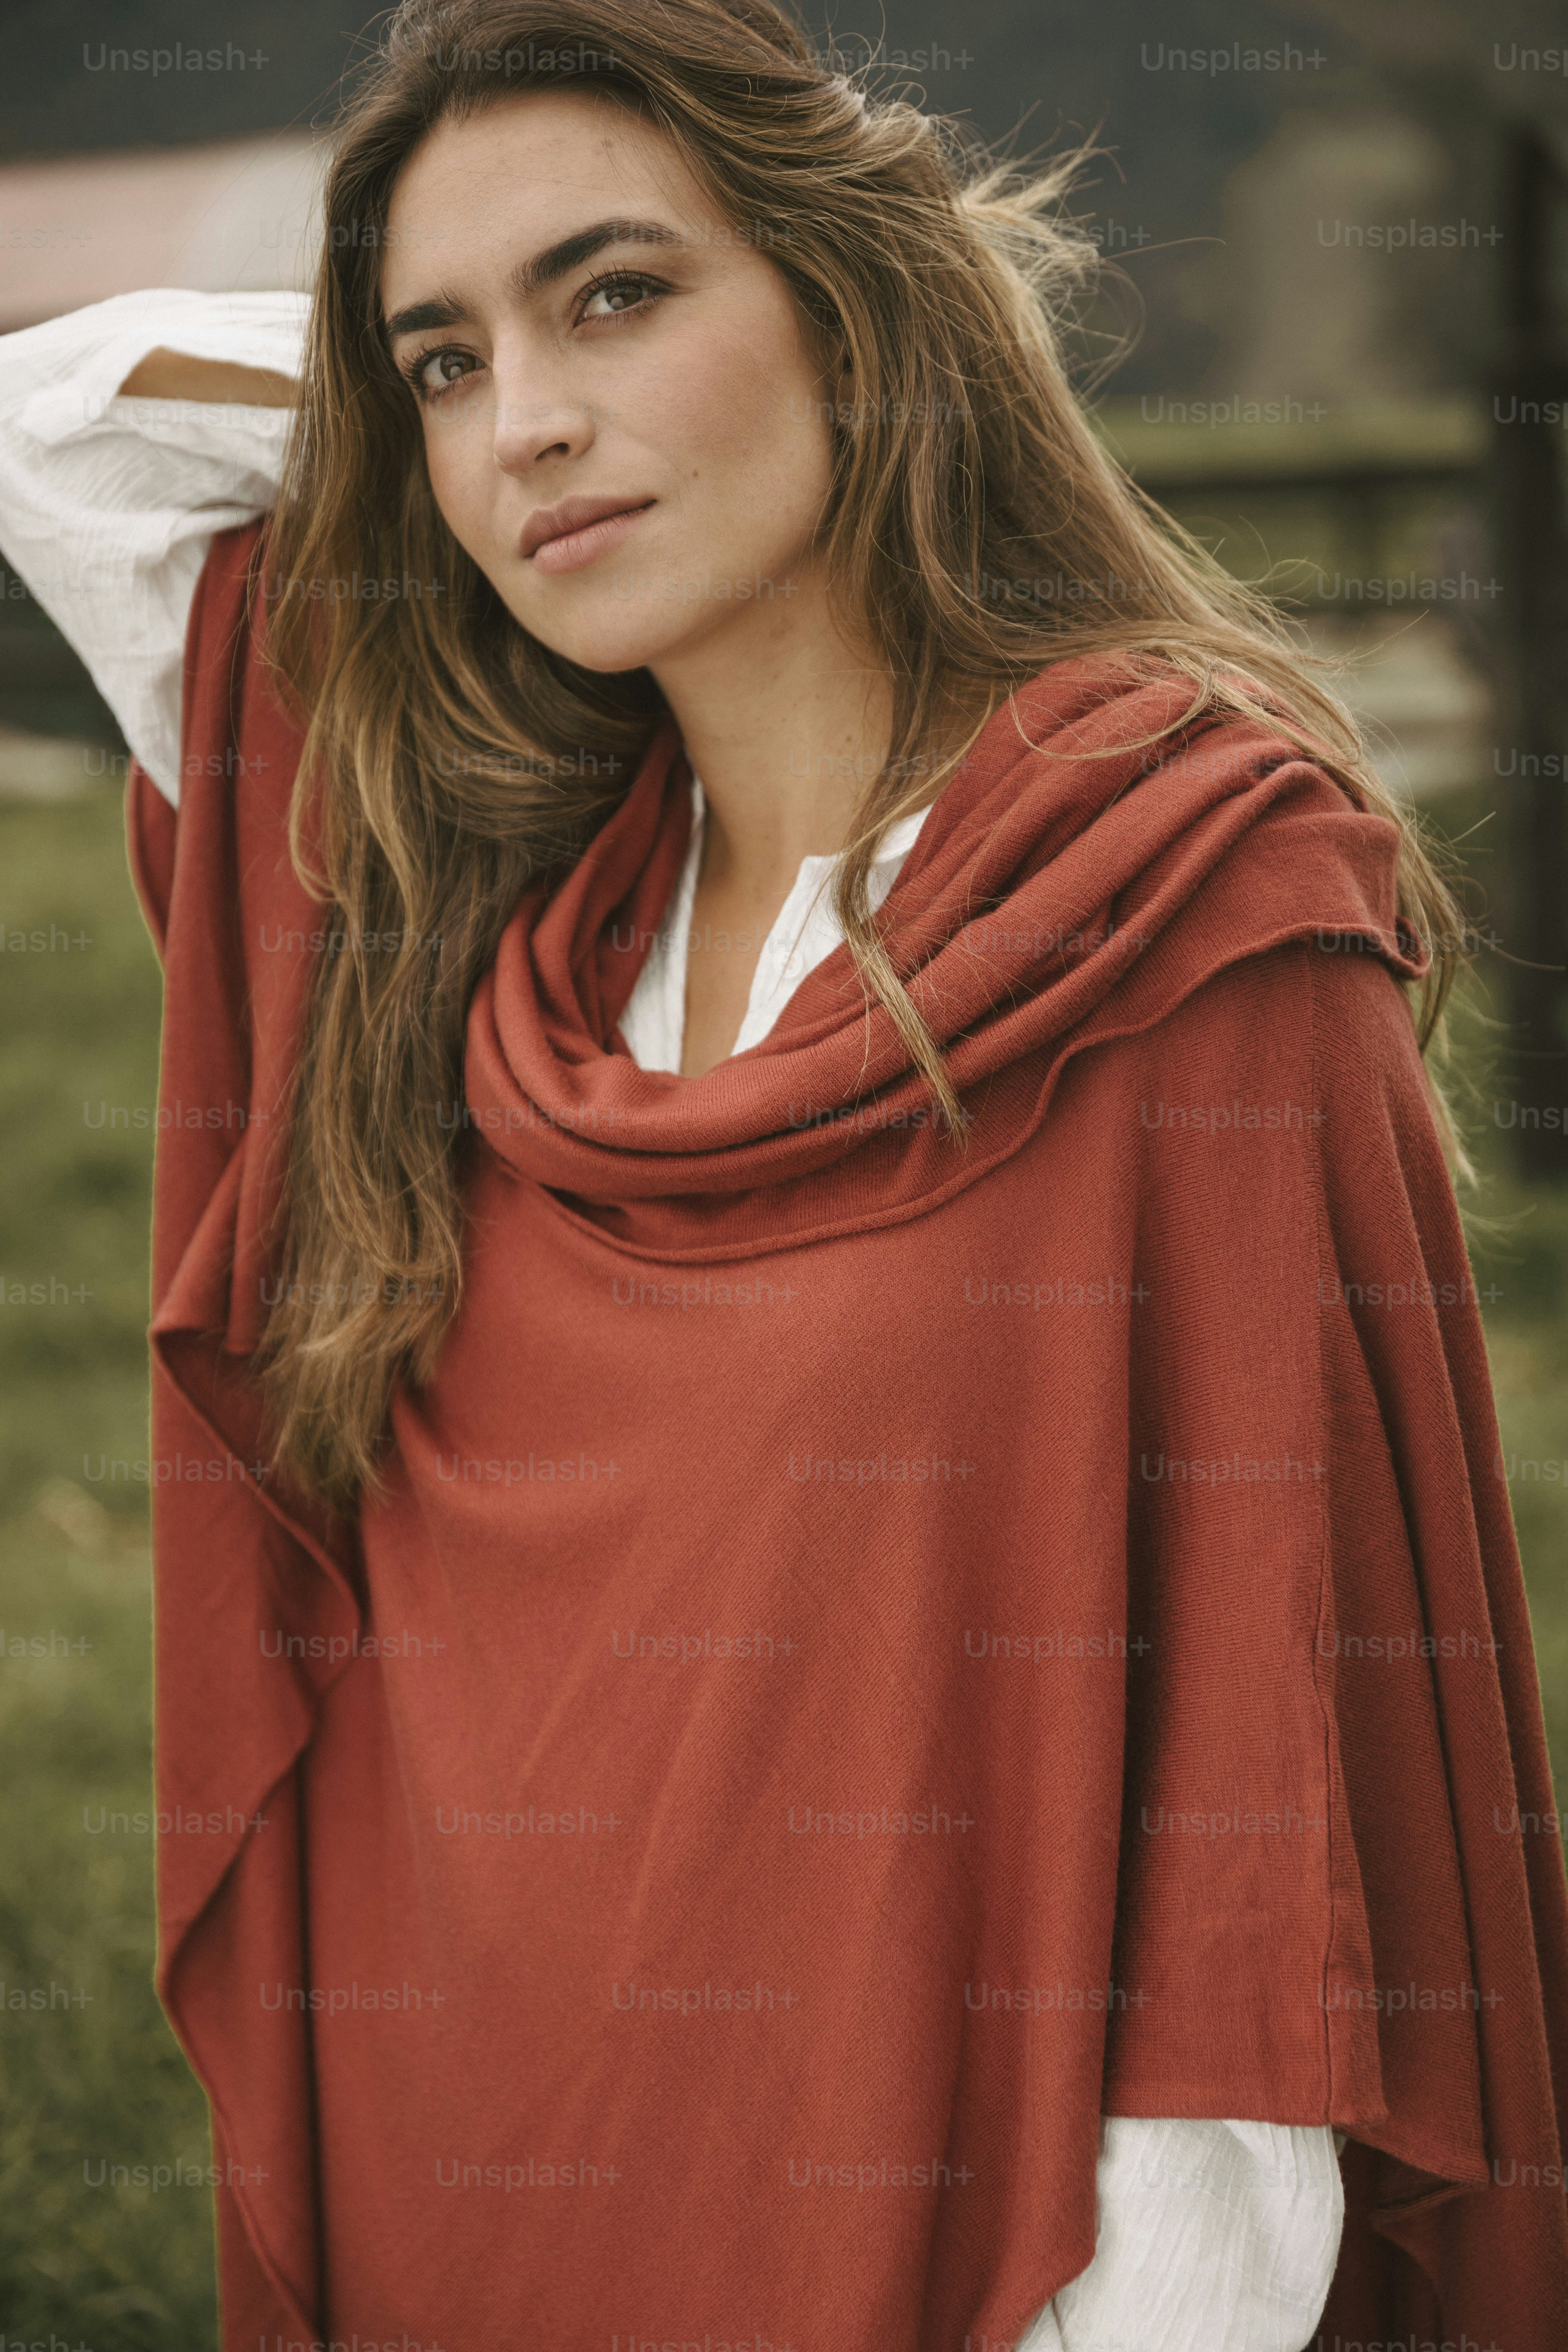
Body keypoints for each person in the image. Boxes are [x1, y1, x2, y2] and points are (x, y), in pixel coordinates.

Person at [1, 3, 1564, 2347]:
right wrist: (479, 397)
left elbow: (1262, 1832)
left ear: (856, 311)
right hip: (491, 2198)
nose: (525, 423)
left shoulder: (1185, 912)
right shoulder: (474, 926)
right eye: (441, 363)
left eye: (620, 293)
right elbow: (62, 433)